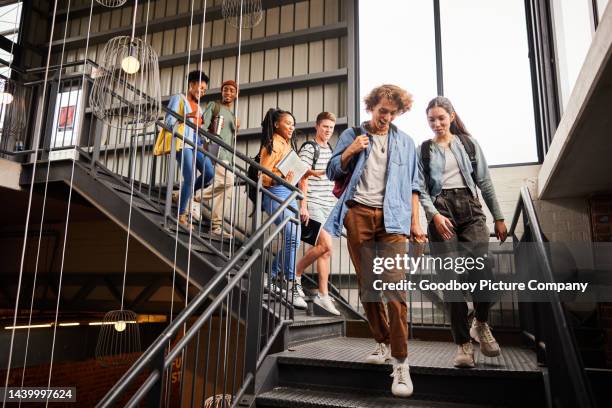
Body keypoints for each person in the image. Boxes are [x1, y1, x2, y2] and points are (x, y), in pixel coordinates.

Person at [325, 85, 426, 398]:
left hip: (394, 220)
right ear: (371, 107)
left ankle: (400, 362)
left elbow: (414, 185)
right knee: (368, 286)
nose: (387, 117)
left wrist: (414, 222)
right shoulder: (352, 134)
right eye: (383, 111)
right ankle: (382, 343)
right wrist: (352, 149)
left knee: (395, 288)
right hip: (358, 214)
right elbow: (331, 170)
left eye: (393, 113)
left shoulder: (406, 143)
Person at [417, 96, 508, 368]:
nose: (436, 123)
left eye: (441, 118)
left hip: (471, 211)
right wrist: (433, 216)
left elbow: (485, 183)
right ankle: (463, 345)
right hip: (440, 213)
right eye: (431, 119)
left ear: (452, 116)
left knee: (484, 272)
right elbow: (419, 188)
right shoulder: (424, 150)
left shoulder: (469, 144)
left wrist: (499, 217)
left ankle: (480, 324)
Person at [259, 108, 306, 309]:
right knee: (292, 234)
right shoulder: (272, 144)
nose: (291, 127)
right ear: (277, 124)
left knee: (293, 239)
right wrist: (283, 178)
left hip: (289, 193)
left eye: (293, 124)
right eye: (288, 123)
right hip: (276, 192)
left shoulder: (287, 145)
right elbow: (263, 176)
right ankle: (291, 284)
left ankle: (271, 276)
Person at [155, 70, 214, 229]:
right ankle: (181, 215)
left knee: (209, 172)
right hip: (182, 143)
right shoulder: (178, 98)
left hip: (196, 144)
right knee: (189, 176)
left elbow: (197, 131)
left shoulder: (200, 109)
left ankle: (182, 194)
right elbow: (168, 122)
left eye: (204, 90)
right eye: (199, 88)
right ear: (191, 85)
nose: (202, 92)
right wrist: (187, 117)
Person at [295, 111, 340, 315]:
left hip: (328, 204)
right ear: (317, 126)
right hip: (312, 202)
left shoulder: (330, 149)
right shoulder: (309, 148)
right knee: (325, 244)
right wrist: (302, 205)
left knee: (327, 251)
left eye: (331, 128)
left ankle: (323, 294)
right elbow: (302, 177)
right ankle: (295, 273)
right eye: (325, 127)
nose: (328, 131)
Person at [194, 79, 240, 236]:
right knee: (227, 182)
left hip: (229, 156)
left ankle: (216, 226)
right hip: (216, 151)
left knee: (226, 192)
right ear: (222, 91)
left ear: (236, 94)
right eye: (225, 89)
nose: (228, 93)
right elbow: (203, 127)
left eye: (232, 91)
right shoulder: (214, 106)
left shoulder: (233, 115)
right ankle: (194, 197)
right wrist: (207, 144)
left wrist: (236, 127)